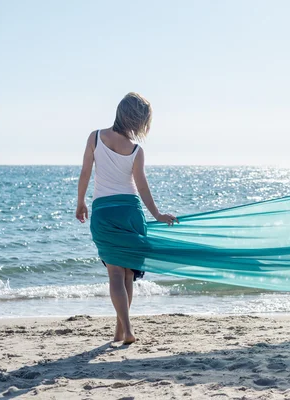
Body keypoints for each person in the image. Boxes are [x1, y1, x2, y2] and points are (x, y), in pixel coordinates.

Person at [75, 92, 177, 344]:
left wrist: (80, 202)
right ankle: (121, 330)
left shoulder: (95, 137)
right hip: (131, 212)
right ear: (139, 120)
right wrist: (157, 214)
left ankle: (126, 330)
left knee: (115, 275)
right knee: (128, 275)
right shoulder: (135, 150)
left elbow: (85, 173)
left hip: (105, 212)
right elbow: (142, 187)